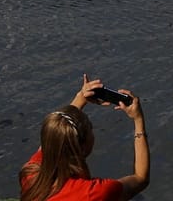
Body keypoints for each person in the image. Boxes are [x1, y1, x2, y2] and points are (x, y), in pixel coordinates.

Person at [19, 76, 150, 201]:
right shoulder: (93, 193)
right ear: (82, 147)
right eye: (90, 129)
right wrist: (138, 120)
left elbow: (53, 136)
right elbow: (140, 178)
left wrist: (81, 98)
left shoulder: (30, 173)